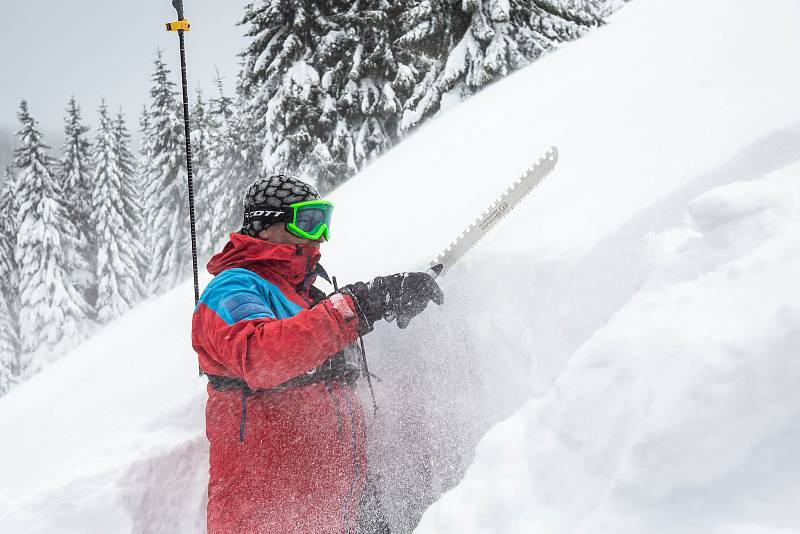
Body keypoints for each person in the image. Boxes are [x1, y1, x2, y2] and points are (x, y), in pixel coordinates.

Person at [191, 174, 444, 534]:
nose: (321, 236)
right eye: (308, 222)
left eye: (323, 221)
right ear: (265, 226)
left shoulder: (302, 295)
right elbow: (262, 355)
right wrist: (355, 306)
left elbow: (320, 359)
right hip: (268, 516)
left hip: (336, 507)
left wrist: (387, 298)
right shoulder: (233, 289)